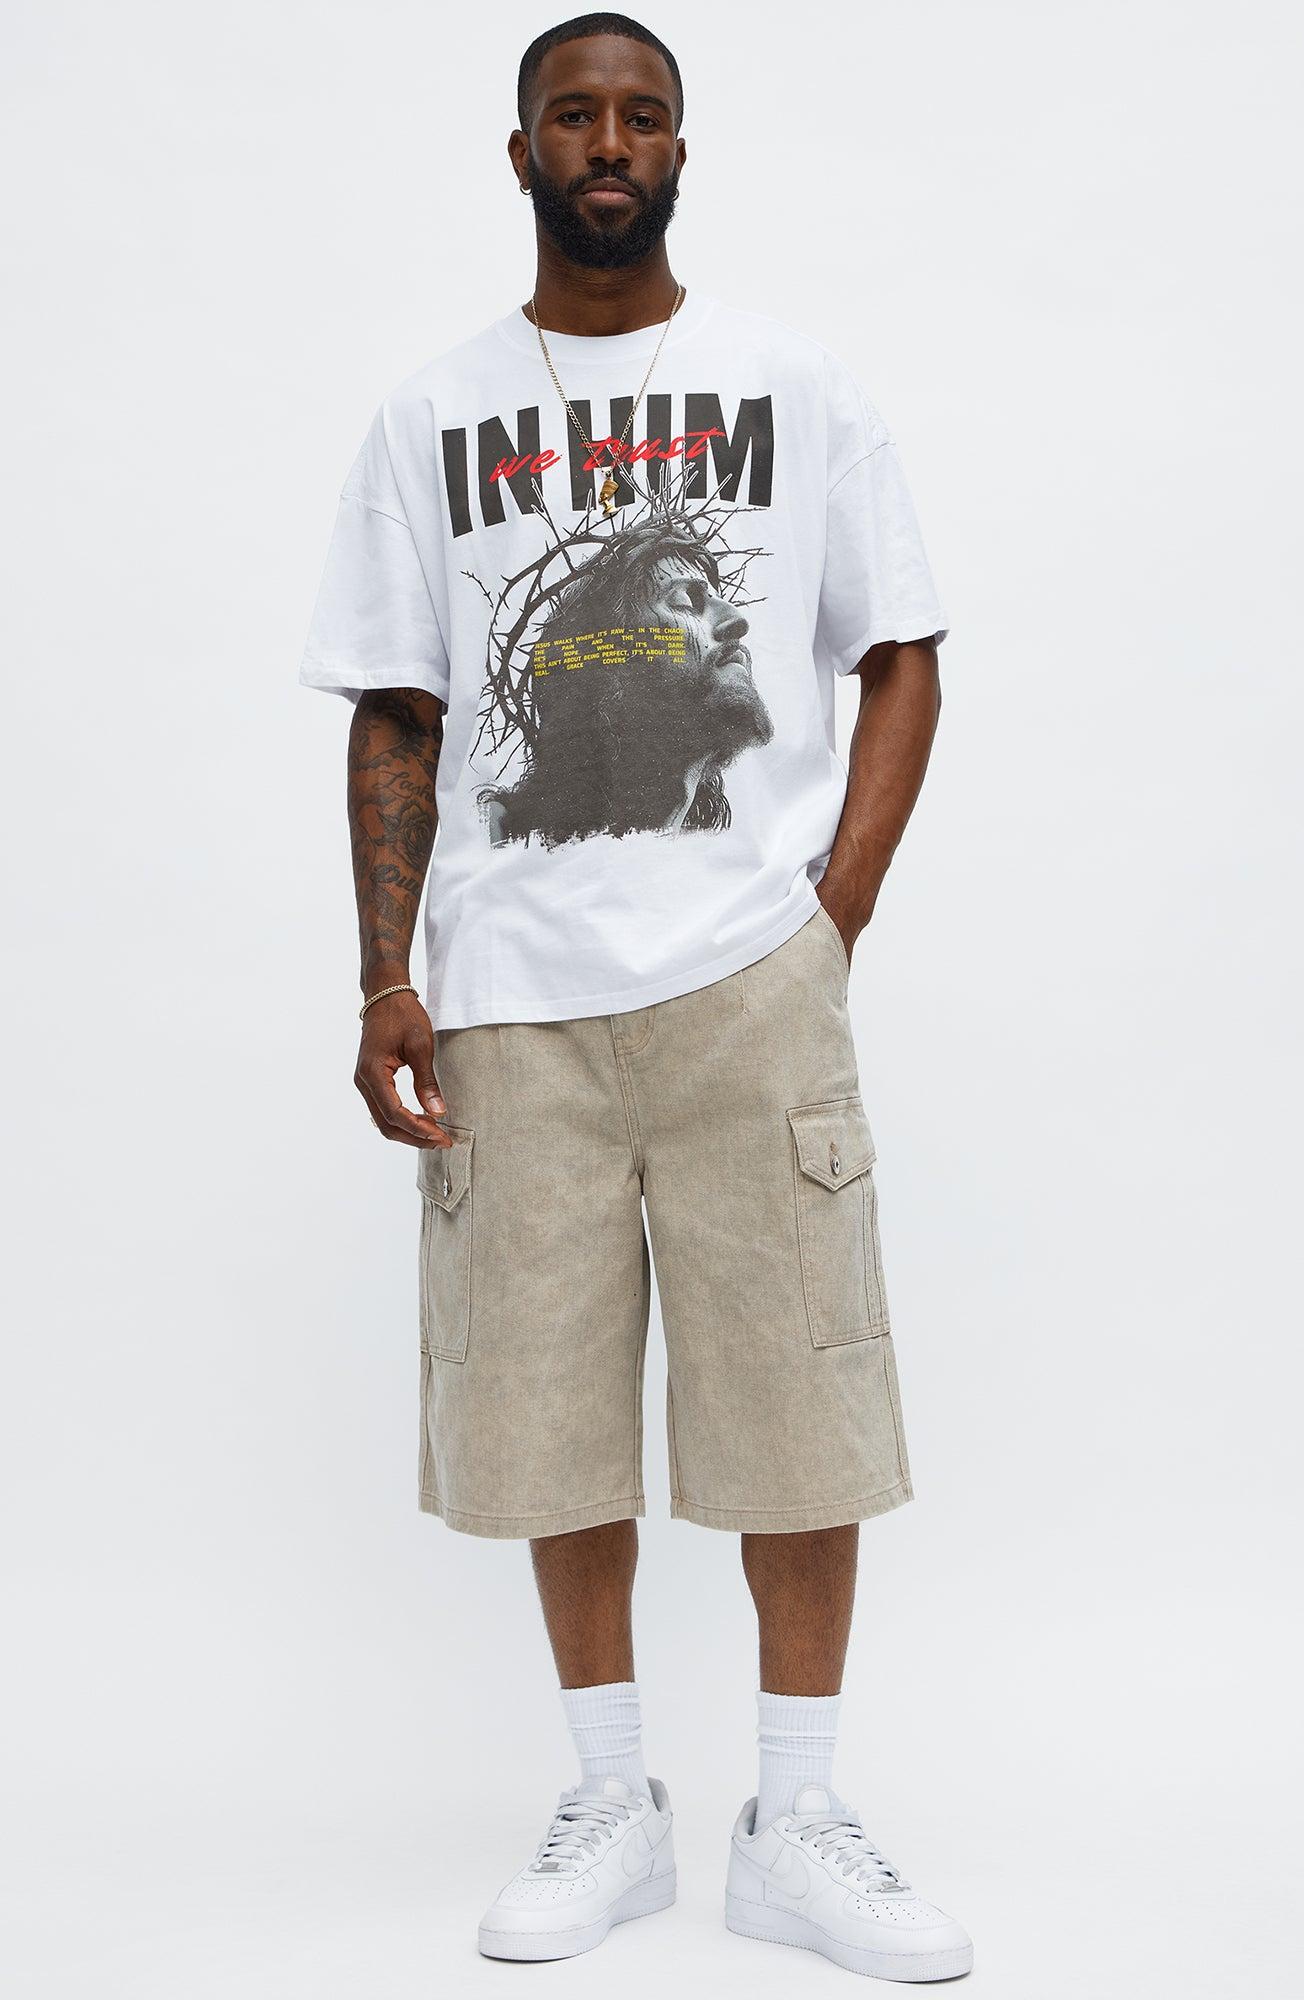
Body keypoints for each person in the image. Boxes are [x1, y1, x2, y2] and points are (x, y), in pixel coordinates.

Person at [300, 11, 973, 1981]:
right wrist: (385, 975)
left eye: (642, 114)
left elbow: (902, 649)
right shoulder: (428, 415)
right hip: (510, 993)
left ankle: (798, 1815)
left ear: (683, 148)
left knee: (799, 1400)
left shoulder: (794, 384)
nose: (609, 142)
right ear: (519, 152)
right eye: (574, 115)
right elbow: (400, 708)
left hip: (746, 975)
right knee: (544, 1412)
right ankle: (611, 1800)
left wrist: (829, 913)